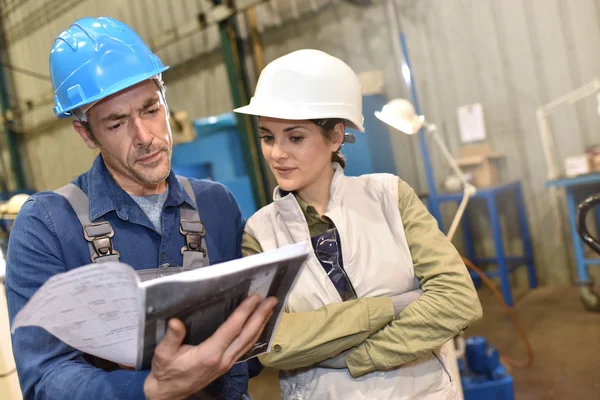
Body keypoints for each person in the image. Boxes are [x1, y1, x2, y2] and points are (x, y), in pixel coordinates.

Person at [5, 17, 276, 400]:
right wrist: (149, 387)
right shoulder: (48, 226)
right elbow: (45, 377)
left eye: (151, 110)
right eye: (117, 123)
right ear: (86, 132)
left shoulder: (215, 205)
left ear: (164, 98)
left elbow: (250, 356)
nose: (145, 137)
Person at [234, 49, 483, 399]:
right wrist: (394, 306)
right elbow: (271, 341)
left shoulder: (390, 197)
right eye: (267, 137)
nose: (277, 153)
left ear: (335, 136)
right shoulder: (260, 233)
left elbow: (457, 300)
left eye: (295, 137)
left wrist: (356, 357)